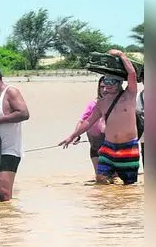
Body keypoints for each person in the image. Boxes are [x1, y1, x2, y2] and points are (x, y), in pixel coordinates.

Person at [59, 49, 141, 184]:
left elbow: (132, 74)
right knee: (101, 179)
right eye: (106, 81)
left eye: (111, 81)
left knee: (129, 186)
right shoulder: (101, 103)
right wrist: (72, 136)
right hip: (108, 147)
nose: (107, 85)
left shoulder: (129, 95)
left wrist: (122, 55)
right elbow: (88, 122)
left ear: (119, 83)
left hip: (128, 148)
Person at [0, 63, 30, 201]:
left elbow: (24, 113)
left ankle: (10, 215)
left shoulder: (11, 92)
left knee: (4, 193)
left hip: (9, 150)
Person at [69, 77, 107, 175]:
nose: (104, 90)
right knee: (100, 177)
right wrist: (76, 135)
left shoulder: (118, 104)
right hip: (95, 145)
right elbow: (82, 121)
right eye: (102, 87)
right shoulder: (93, 104)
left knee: (114, 178)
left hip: (111, 145)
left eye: (107, 87)